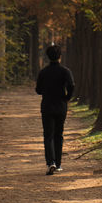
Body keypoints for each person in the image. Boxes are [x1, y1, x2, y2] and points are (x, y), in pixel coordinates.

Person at [35, 44, 75, 174]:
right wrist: (67, 97)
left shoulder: (43, 72)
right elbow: (71, 85)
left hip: (47, 106)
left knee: (48, 136)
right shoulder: (65, 71)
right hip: (61, 106)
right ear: (60, 57)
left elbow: (38, 90)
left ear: (48, 57)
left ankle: (50, 162)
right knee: (59, 134)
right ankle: (58, 164)